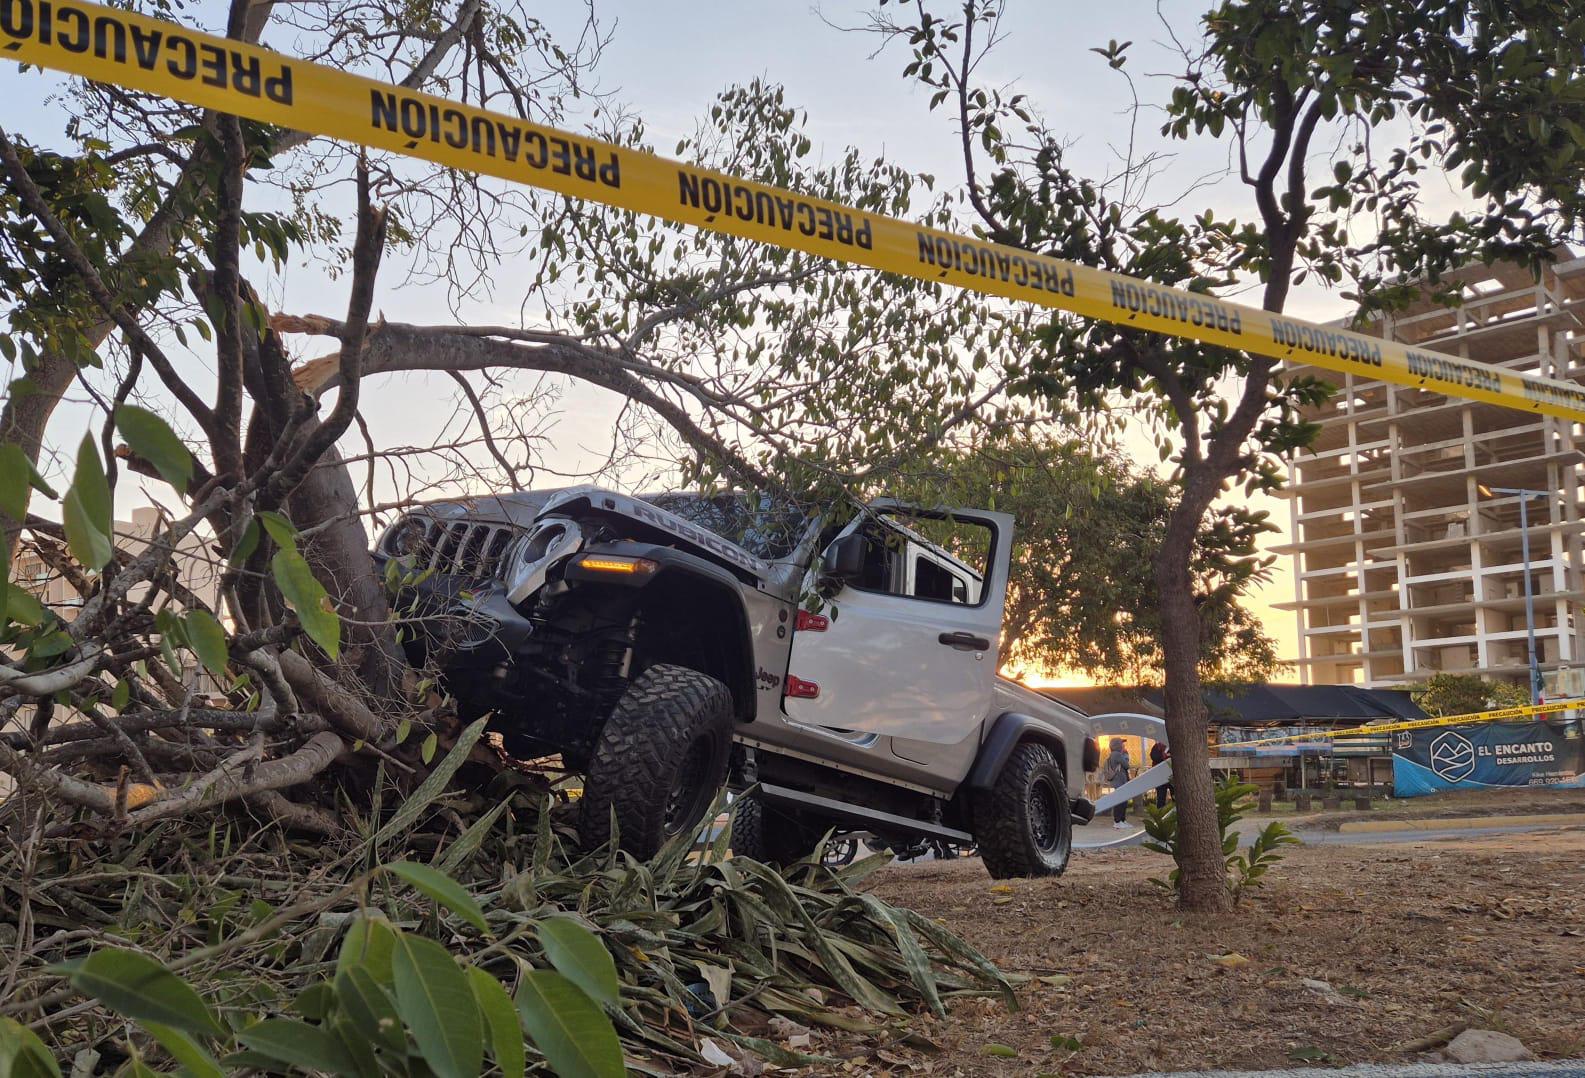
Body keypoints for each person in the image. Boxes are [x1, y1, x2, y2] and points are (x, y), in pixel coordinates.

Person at [1101, 737, 1132, 829]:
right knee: (1120, 801)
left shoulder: (1114, 754)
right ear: (1117, 745)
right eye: (1122, 743)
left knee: (1123, 801)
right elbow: (1127, 765)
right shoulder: (1117, 754)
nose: (1123, 745)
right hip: (1119, 781)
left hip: (1118, 781)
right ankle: (1117, 821)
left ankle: (1122, 820)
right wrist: (1126, 755)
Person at [1149, 739, 1172, 808]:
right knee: (1161, 797)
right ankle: (1160, 814)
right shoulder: (1156, 747)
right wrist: (1163, 756)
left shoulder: (1172, 746)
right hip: (1160, 777)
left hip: (1171, 776)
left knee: (1175, 796)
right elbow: (1154, 757)